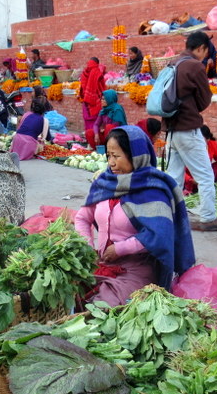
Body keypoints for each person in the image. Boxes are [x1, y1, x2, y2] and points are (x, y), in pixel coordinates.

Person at [75, 125, 195, 306]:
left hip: (137, 267)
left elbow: (159, 235)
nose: (111, 163)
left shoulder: (153, 188)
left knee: (106, 305)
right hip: (102, 262)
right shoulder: (105, 183)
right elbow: (82, 218)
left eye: (117, 156)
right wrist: (88, 247)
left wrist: (120, 249)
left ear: (135, 156)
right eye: (108, 156)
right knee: (72, 294)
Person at [164, 30, 217, 231]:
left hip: (171, 129)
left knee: (173, 176)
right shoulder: (194, 66)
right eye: (205, 51)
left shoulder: (173, 63)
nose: (205, 56)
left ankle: (168, 215)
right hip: (188, 128)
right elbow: (204, 100)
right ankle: (208, 217)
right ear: (200, 48)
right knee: (205, 176)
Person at [183, 124, 217, 194]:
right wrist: (190, 180)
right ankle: (191, 188)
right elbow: (181, 168)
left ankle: (211, 183)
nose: (198, 142)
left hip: (205, 173)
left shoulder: (212, 143)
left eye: (201, 139)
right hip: (191, 175)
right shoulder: (188, 145)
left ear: (208, 139)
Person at [11, 96, 50, 161]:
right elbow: (44, 138)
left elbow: (19, 129)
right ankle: (30, 152)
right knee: (41, 142)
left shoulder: (26, 114)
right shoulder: (44, 120)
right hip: (28, 143)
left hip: (17, 139)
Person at [79, 57, 105, 132]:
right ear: (97, 64)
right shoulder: (97, 72)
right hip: (96, 101)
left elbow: (82, 86)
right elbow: (102, 87)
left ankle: (89, 136)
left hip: (86, 101)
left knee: (88, 121)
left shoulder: (85, 72)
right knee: (96, 121)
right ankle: (95, 136)